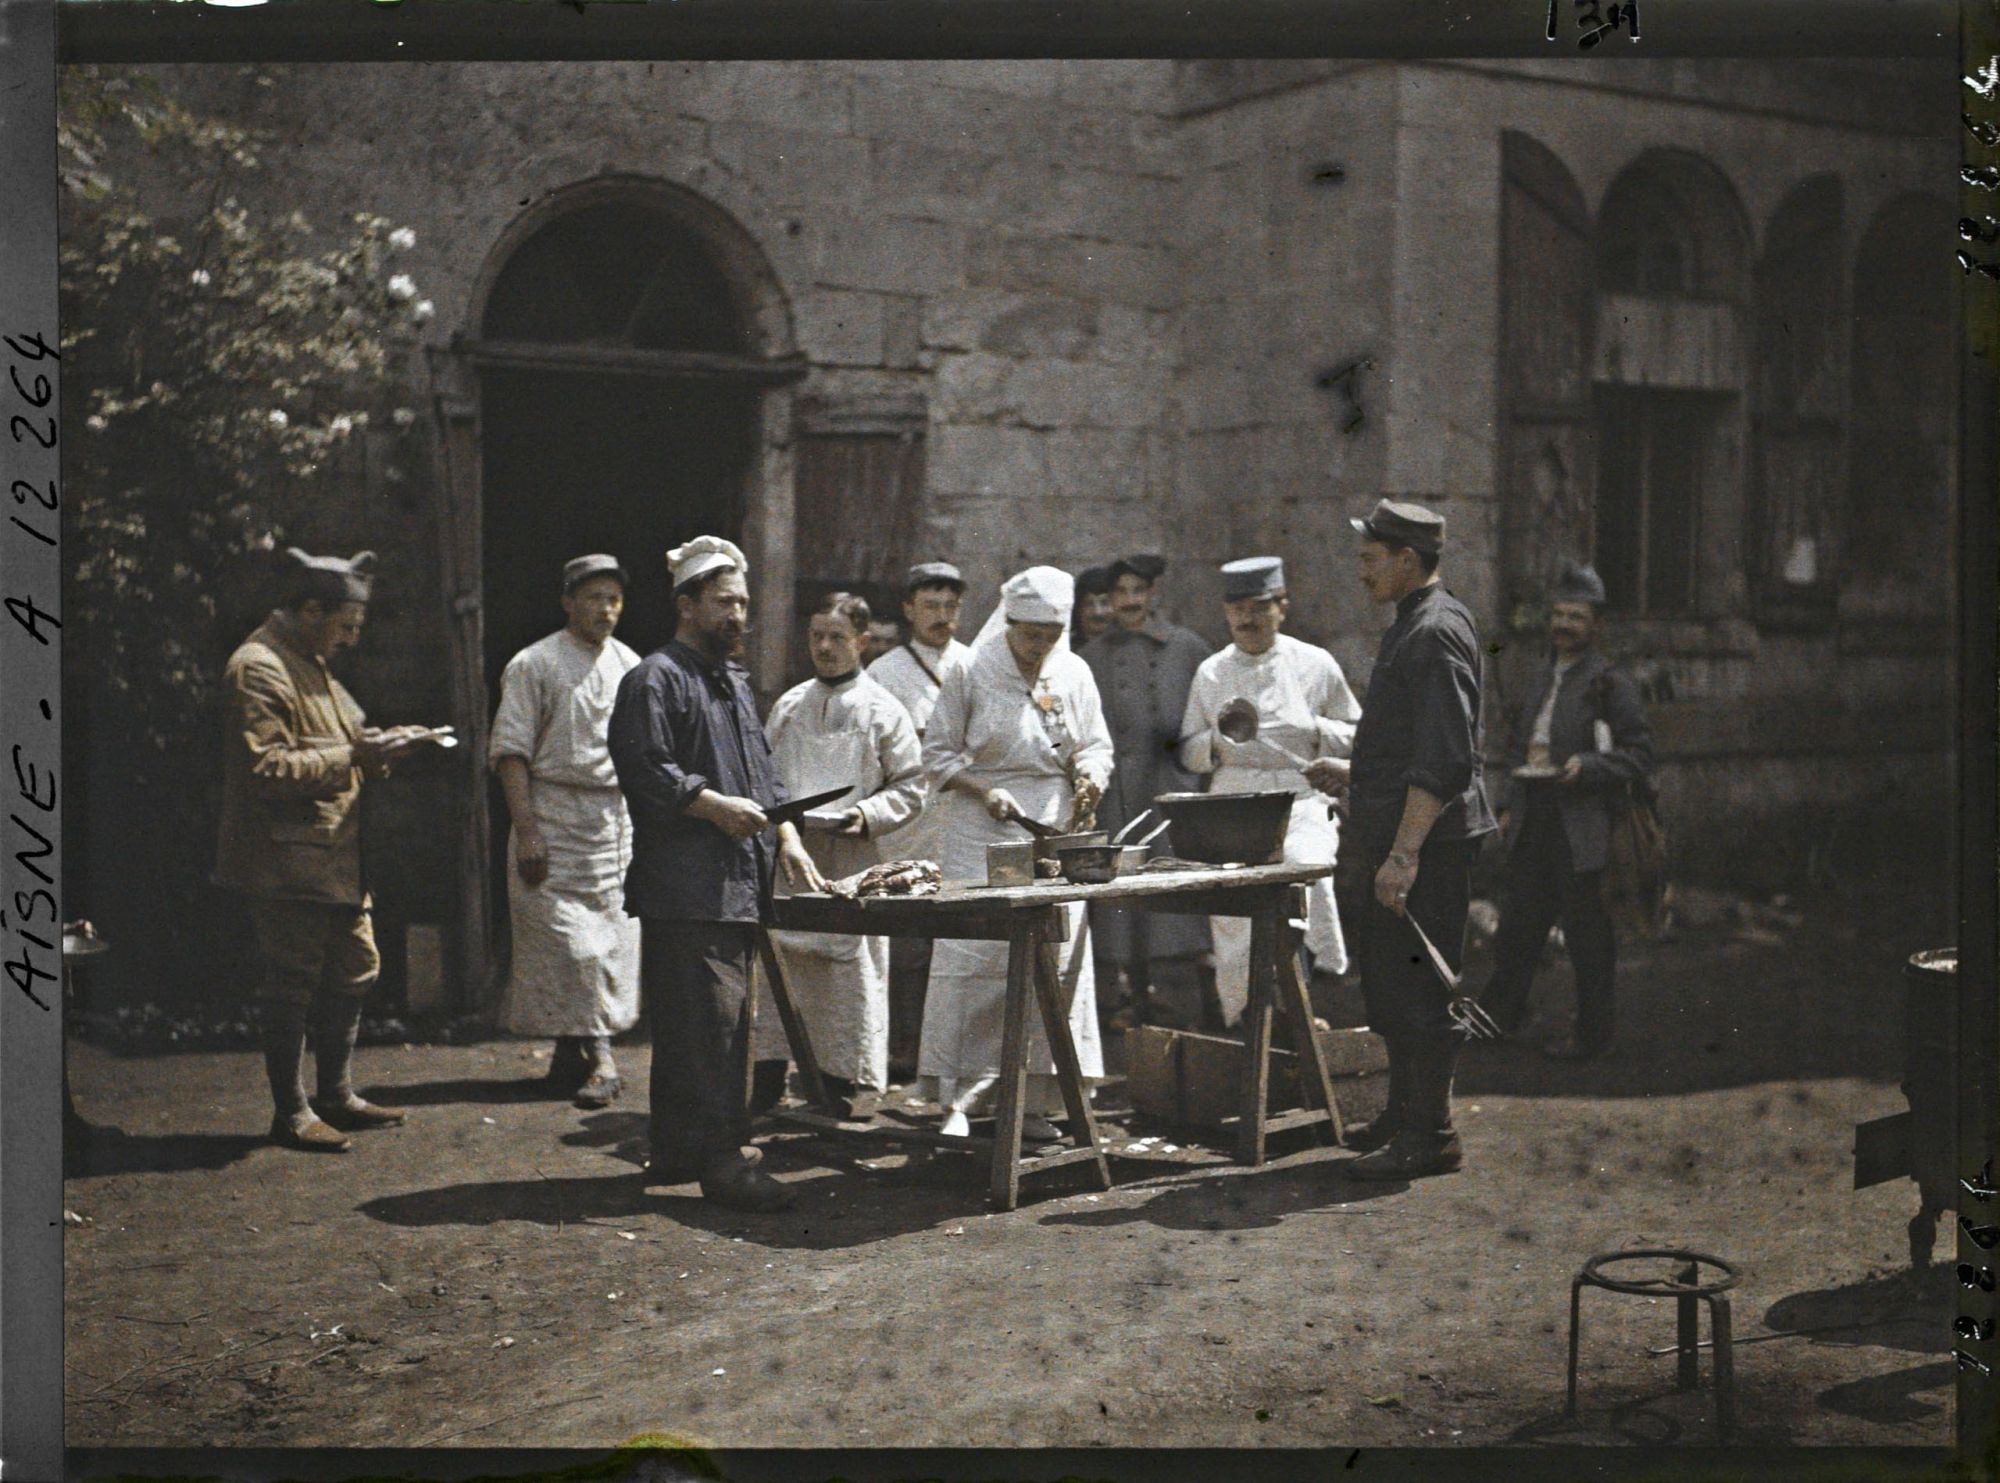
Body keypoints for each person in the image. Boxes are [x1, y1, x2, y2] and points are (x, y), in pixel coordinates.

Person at [606, 535, 826, 1212]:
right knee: (715, 1026)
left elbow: (762, 773)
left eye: (744, 603)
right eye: (725, 601)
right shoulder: (654, 678)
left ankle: (676, 1147)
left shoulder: (730, 681)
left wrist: (785, 832)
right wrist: (712, 807)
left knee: (698, 1023)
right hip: (688, 884)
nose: (739, 614)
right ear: (687, 603)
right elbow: (645, 767)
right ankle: (726, 1160)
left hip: (735, 880)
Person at [216, 548, 426, 1152]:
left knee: (355, 969)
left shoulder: (311, 661)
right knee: (293, 981)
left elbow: (347, 743)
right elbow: (265, 768)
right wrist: (355, 758)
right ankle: (291, 1110)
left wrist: (384, 749)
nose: (351, 641)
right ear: (310, 609)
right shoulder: (260, 667)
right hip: (287, 861)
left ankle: (334, 1094)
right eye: (346, 627)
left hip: (335, 853)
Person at [918, 566, 1114, 1141]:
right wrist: (984, 788)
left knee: (1051, 963)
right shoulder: (970, 670)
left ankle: (1031, 1100)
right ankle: (959, 1099)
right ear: (1009, 624)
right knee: (975, 962)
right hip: (980, 829)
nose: (1039, 647)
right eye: (1030, 635)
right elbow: (937, 755)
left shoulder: (1072, 671)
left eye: (1050, 636)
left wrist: (1089, 775)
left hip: (1051, 827)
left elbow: (1095, 744)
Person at [1333, 501, 1496, 1181]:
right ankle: (1405, 1114)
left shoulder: (1431, 632)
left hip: (1425, 845)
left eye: (1371, 559)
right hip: (1404, 833)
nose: (1361, 571)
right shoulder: (1417, 623)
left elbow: (1443, 759)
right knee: (1395, 988)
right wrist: (1350, 771)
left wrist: (1403, 856)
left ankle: (1433, 1134)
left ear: (1407, 560)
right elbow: (1414, 743)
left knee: (1424, 993)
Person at [752, 592, 925, 1115]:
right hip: (790, 854)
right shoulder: (790, 705)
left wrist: (865, 815)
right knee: (782, 966)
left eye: (837, 638)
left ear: (863, 643)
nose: (824, 648)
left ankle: (839, 1089)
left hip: (851, 861)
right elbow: (765, 777)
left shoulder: (883, 710)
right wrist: (782, 827)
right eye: (816, 637)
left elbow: (912, 787)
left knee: (845, 974)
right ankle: (766, 1083)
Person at [1477, 561, 1655, 1059]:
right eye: (1557, 616)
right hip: (1535, 819)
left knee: (1586, 936)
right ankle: (1498, 1018)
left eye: (1575, 617)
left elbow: (1640, 755)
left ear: (1596, 625)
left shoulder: (1609, 683)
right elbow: (1519, 748)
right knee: (1520, 926)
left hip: (1583, 828)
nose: (1563, 626)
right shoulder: (1539, 677)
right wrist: (1509, 803)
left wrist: (1590, 765)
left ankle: (1592, 1037)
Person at [488, 555, 644, 1109]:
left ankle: (574, 1055)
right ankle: (598, 1057)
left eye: (614, 598)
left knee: (608, 947)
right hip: (550, 816)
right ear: (568, 602)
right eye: (594, 597)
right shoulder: (535, 663)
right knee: (568, 948)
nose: (605, 609)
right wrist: (526, 829)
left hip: (611, 823)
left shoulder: (631, 665)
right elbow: (510, 753)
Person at [1179, 556, 1361, 1028]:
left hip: (1302, 797)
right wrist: (1219, 741)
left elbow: (1359, 734)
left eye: (1259, 606)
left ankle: (1299, 1006)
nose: (1247, 619)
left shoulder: (1315, 663)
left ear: (1282, 606)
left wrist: (1315, 730)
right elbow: (1187, 750)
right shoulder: (1212, 672)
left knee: (1302, 877)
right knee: (1236, 910)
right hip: (1233, 800)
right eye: (1236, 608)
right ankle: (1248, 1017)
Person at [1079, 553, 1212, 1029]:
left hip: (1169, 787)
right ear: (1107, 600)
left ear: (1154, 594)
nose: (1130, 601)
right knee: (1119, 895)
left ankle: (1180, 1004)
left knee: (1172, 893)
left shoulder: (1188, 648)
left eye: (1139, 591)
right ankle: (1121, 1000)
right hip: (1115, 792)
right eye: (1120, 593)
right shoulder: (1090, 658)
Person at [866, 560, 974, 1078]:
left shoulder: (975, 665)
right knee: (906, 937)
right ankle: (903, 1044)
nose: (942, 616)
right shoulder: (884, 673)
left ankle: (947, 1047)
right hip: (909, 820)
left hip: (961, 815)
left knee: (955, 936)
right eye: (931, 605)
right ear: (909, 609)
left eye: (951, 606)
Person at [1073, 564, 1116, 645]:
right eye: (1089, 604)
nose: (1098, 612)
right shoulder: (1065, 653)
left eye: (1105, 603)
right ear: (1079, 610)